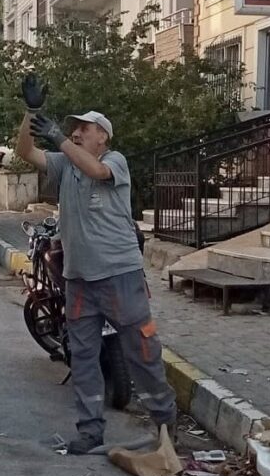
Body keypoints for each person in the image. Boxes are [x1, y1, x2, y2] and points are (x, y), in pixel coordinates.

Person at [15, 76, 178, 455]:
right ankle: (90, 431)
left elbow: (96, 172)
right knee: (84, 358)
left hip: (119, 275)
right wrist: (32, 112)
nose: (74, 132)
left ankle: (165, 424)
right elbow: (25, 151)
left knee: (142, 351)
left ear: (102, 136)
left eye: (83, 129)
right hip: (78, 279)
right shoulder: (64, 165)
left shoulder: (113, 161)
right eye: (72, 128)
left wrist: (57, 136)